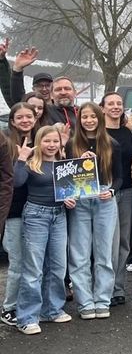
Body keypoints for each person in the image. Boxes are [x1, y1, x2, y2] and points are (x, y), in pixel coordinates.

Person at [13, 126, 74, 334]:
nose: (51, 145)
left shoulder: (64, 164)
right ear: (39, 142)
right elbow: (16, 181)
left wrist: (70, 199)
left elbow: (71, 189)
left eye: (55, 141)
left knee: (57, 266)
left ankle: (52, 310)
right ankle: (27, 317)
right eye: (47, 141)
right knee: (34, 269)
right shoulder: (32, 163)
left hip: (59, 215)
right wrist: (21, 158)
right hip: (36, 216)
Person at [66, 102, 121, 319]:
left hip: (104, 198)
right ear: (80, 120)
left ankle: (102, 299)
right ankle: (85, 302)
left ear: (99, 118)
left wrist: (113, 191)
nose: (89, 121)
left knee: (104, 254)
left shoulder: (111, 144)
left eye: (93, 117)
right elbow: (65, 177)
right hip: (80, 199)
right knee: (79, 254)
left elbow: (119, 176)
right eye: (85, 117)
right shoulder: (72, 144)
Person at [1, 103, 36, 326]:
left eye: (29, 116)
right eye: (19, 117)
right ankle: (9, 307)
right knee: (17, 262)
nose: (25, 120)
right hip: (13, 211)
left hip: (36, 209)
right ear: (12, 121)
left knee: (33, 263)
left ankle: (28, 304)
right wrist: (21, 158)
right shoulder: (6, 143)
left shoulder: (42, 140)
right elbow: (9, 179)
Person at [101, 92, 132, 307]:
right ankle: (103, 287)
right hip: (103, 193)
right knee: (105, 244)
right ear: (102, 108)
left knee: (123, 242)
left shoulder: (127, 132)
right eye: (110, 104)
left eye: (119, 103)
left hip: (127, 192)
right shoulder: (96, 133)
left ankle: (118, 288)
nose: (115, 107)